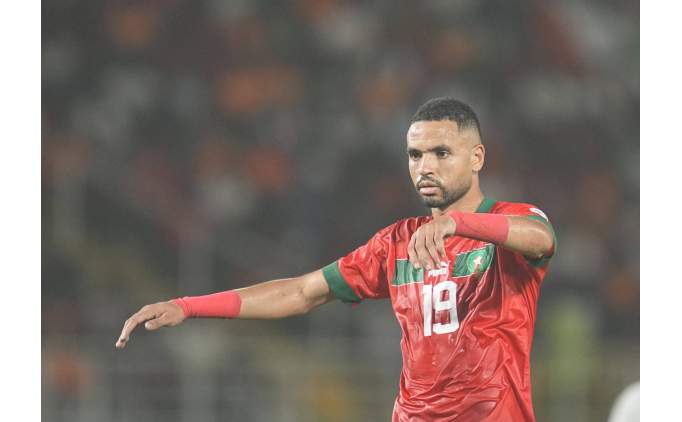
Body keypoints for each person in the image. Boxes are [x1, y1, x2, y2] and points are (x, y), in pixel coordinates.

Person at [115, 97, 556, 421]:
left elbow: (542, 238)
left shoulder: (509, 221)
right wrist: (188, 306)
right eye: (415, 154)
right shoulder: (395, 243)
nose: (425, 166)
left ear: (477, 158)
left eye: (441, 153)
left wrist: (460, 224)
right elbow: (301, 292)